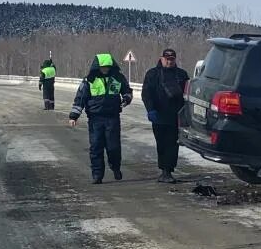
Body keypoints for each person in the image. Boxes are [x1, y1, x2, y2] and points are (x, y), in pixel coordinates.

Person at [67, 53, 133, 183]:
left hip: (112, 118)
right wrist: (74, 116)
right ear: (97, 67)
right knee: (96, 147)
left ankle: (115, 167)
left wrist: (126, 99)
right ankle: (97, 175)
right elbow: (80, 98)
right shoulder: (89, 80)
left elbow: (127, 91)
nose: (105, 69)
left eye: (107, 67)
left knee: (113, 147)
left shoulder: (118, 78)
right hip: (95, 119)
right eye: (103, 67)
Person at [141, 47, 190, 182]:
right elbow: (146, 93)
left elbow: (187, 95)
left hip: (176, 116)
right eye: (167, 59)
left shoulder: (181, 74)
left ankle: (168, 171)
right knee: (162, 143)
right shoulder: (153, 74)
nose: (169, 62)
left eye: (172, 59)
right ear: (162, 59)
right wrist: (150, 109)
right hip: (159, 115)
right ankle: (163, 170)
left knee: (173, 144)